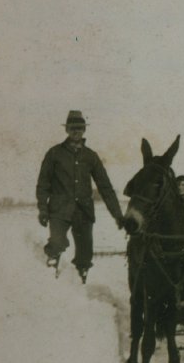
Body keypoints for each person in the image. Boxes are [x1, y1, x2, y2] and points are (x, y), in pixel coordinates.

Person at [36, 110, 124, 282]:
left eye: (79, 128)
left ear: (84, 130)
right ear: (66, 130)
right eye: (72, 128)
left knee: (85, 255)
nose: (76, 131)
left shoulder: (91, 156)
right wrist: (43, 209)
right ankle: (48, 283)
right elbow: (43, 184)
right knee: (56, 244)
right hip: (59, 211)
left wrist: (118, 215)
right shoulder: (54, 153)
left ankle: (80, 286)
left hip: (84, 212)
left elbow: (105, 188)